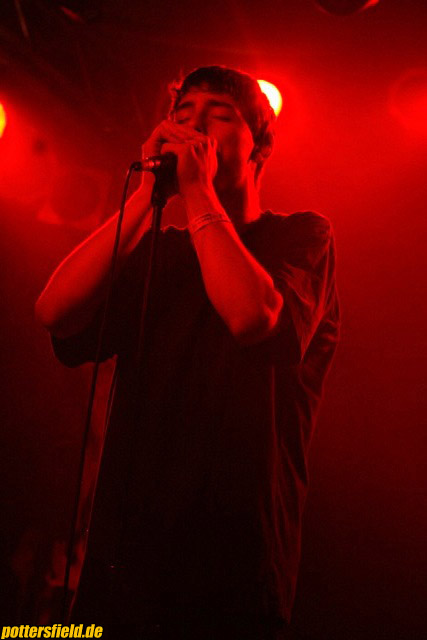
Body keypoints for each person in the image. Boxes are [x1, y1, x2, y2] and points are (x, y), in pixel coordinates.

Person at [36, 65, 340, 639]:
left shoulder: (302, 237)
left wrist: (199, 190)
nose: (192, 128)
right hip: (123, 568)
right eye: (182, 114)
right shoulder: (158, 251)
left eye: (218, 116)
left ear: (261, 147)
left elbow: (252, 317)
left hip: (232, 574)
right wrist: (147, 196)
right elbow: (54, 312)